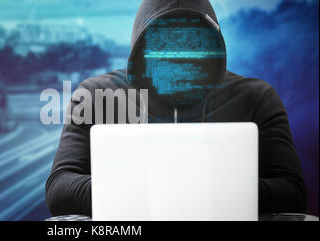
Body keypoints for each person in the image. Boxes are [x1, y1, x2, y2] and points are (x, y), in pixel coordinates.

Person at [45, 0, 307, 217]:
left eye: (193, 47)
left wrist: (165, 189)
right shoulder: (96, 95)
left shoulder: (256, 97)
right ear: (141, 50)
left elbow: (292, 193)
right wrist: (186, 189)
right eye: (164, 46)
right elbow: (59, 189)